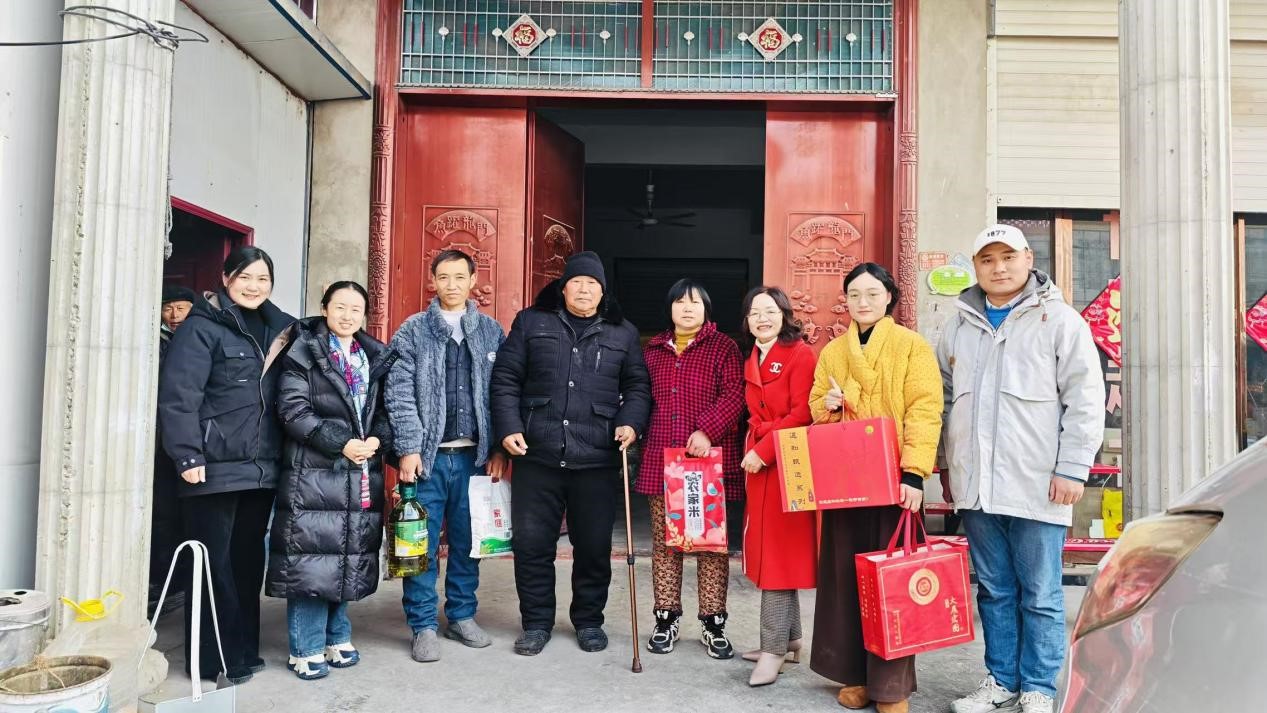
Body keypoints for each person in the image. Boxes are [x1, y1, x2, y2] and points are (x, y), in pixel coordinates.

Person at [940, 225, 1105, 713]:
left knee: (1040, 594)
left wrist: (1072, 468)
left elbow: (1085, 398)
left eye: (1008, 257)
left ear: (1029, 258)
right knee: (994, 590)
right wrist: (948, 467)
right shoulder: (958, 325)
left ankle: (1038, 687)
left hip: (1039, 483)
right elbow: (945, 401)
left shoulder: (1059, 321)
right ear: (976, 267)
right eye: (987, 259)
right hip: (976, 486)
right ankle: (1001, 681)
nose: (999, 268)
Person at [490, 250, 652, 657]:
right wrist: (508, 427)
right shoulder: (532, 322)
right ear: (563, 288)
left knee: (594, 547)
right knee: (532, 546)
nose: (583, 289)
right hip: (537, 454)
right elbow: (506, 378)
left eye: (592, 283)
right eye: (576, 282)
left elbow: (637, 386)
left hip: (596, 458)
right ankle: (536, 623)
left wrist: (630, 422)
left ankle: (589, 621)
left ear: (603, 291)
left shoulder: (622, 333)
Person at [807, 263, 943, 713]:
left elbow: (925, 409)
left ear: (889, 297)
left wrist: (914, 473)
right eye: (854, 294)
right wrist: (828, 405)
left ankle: (891, 685)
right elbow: (816, 406)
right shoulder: (834, 351)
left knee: (892, 582)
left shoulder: (911, 346)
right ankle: (855, 674)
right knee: (846, 579)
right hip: (847, 482)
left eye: (871, 293)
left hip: (894, 481)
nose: (862, 302)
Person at [158, 246, 296, 684]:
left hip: (260, 467)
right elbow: (179, 395)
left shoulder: (280, 328)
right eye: (245, 277)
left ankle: (242, 651)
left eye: (262, 279)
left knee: (245, 563)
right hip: (211, 468)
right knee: (210, 565)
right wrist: (187, 454)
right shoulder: (201, 327)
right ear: (226, 278)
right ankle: (211, 660)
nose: (254, 287)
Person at [265, 281, 395, 680]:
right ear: (324, 308)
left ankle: (336, 636)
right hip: (314, 473)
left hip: (359, 470)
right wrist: (342, 444)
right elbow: (293, 411)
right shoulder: (303, 350)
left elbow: (384, 412)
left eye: (356, 309)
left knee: (346, 554)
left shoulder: (371, 356)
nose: (347, 315)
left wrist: (377, 440)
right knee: (312, 560)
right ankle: (305, 647)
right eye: (340, 307)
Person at [385, 249, 507, 662]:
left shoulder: (491, 331)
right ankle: (422, 624)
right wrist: (408, 448)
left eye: (459, 277)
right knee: (417, 544)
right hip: (427, 460)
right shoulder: (413, 330)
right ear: (432, 281)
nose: (451, 285)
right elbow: (399, 393)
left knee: (468, 542)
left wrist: (497, 448)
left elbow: (502, 393)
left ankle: (461, 615)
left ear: (473, 281)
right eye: (443, 277)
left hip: (474, 458)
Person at [634, 279, 745, 660]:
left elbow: (735, 394)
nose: (687, 308)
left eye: (695, 303)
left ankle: (713, 624)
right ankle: (666, 620)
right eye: (680, 302)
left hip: (705, 463)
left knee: (710, 545)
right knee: (667, 545)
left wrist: (707, 430)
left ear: (706, 309)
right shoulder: (653, 351)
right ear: (669, 309)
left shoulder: (724, 347)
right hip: (661, 460)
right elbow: (640, 397)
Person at [737, 286, 818, 687]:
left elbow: (804, 412)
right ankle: (791, 639)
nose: (762, 319)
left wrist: (764, 450)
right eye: (755, 313)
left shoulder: (800, 354)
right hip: (763, 462)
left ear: (785, 315)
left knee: (778, 558)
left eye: (770, 311)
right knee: (771, 550)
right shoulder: (753, 355)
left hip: (789, 462)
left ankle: (773, 649)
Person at [150, 284, 199, 612]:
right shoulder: (156, 342)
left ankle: (182, 578)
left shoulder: (199, 339)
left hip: (194, 446)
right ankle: (163, 579)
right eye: (168, 308)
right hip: (161, 442)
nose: (174, 314)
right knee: (163, 514)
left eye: (181, 307)